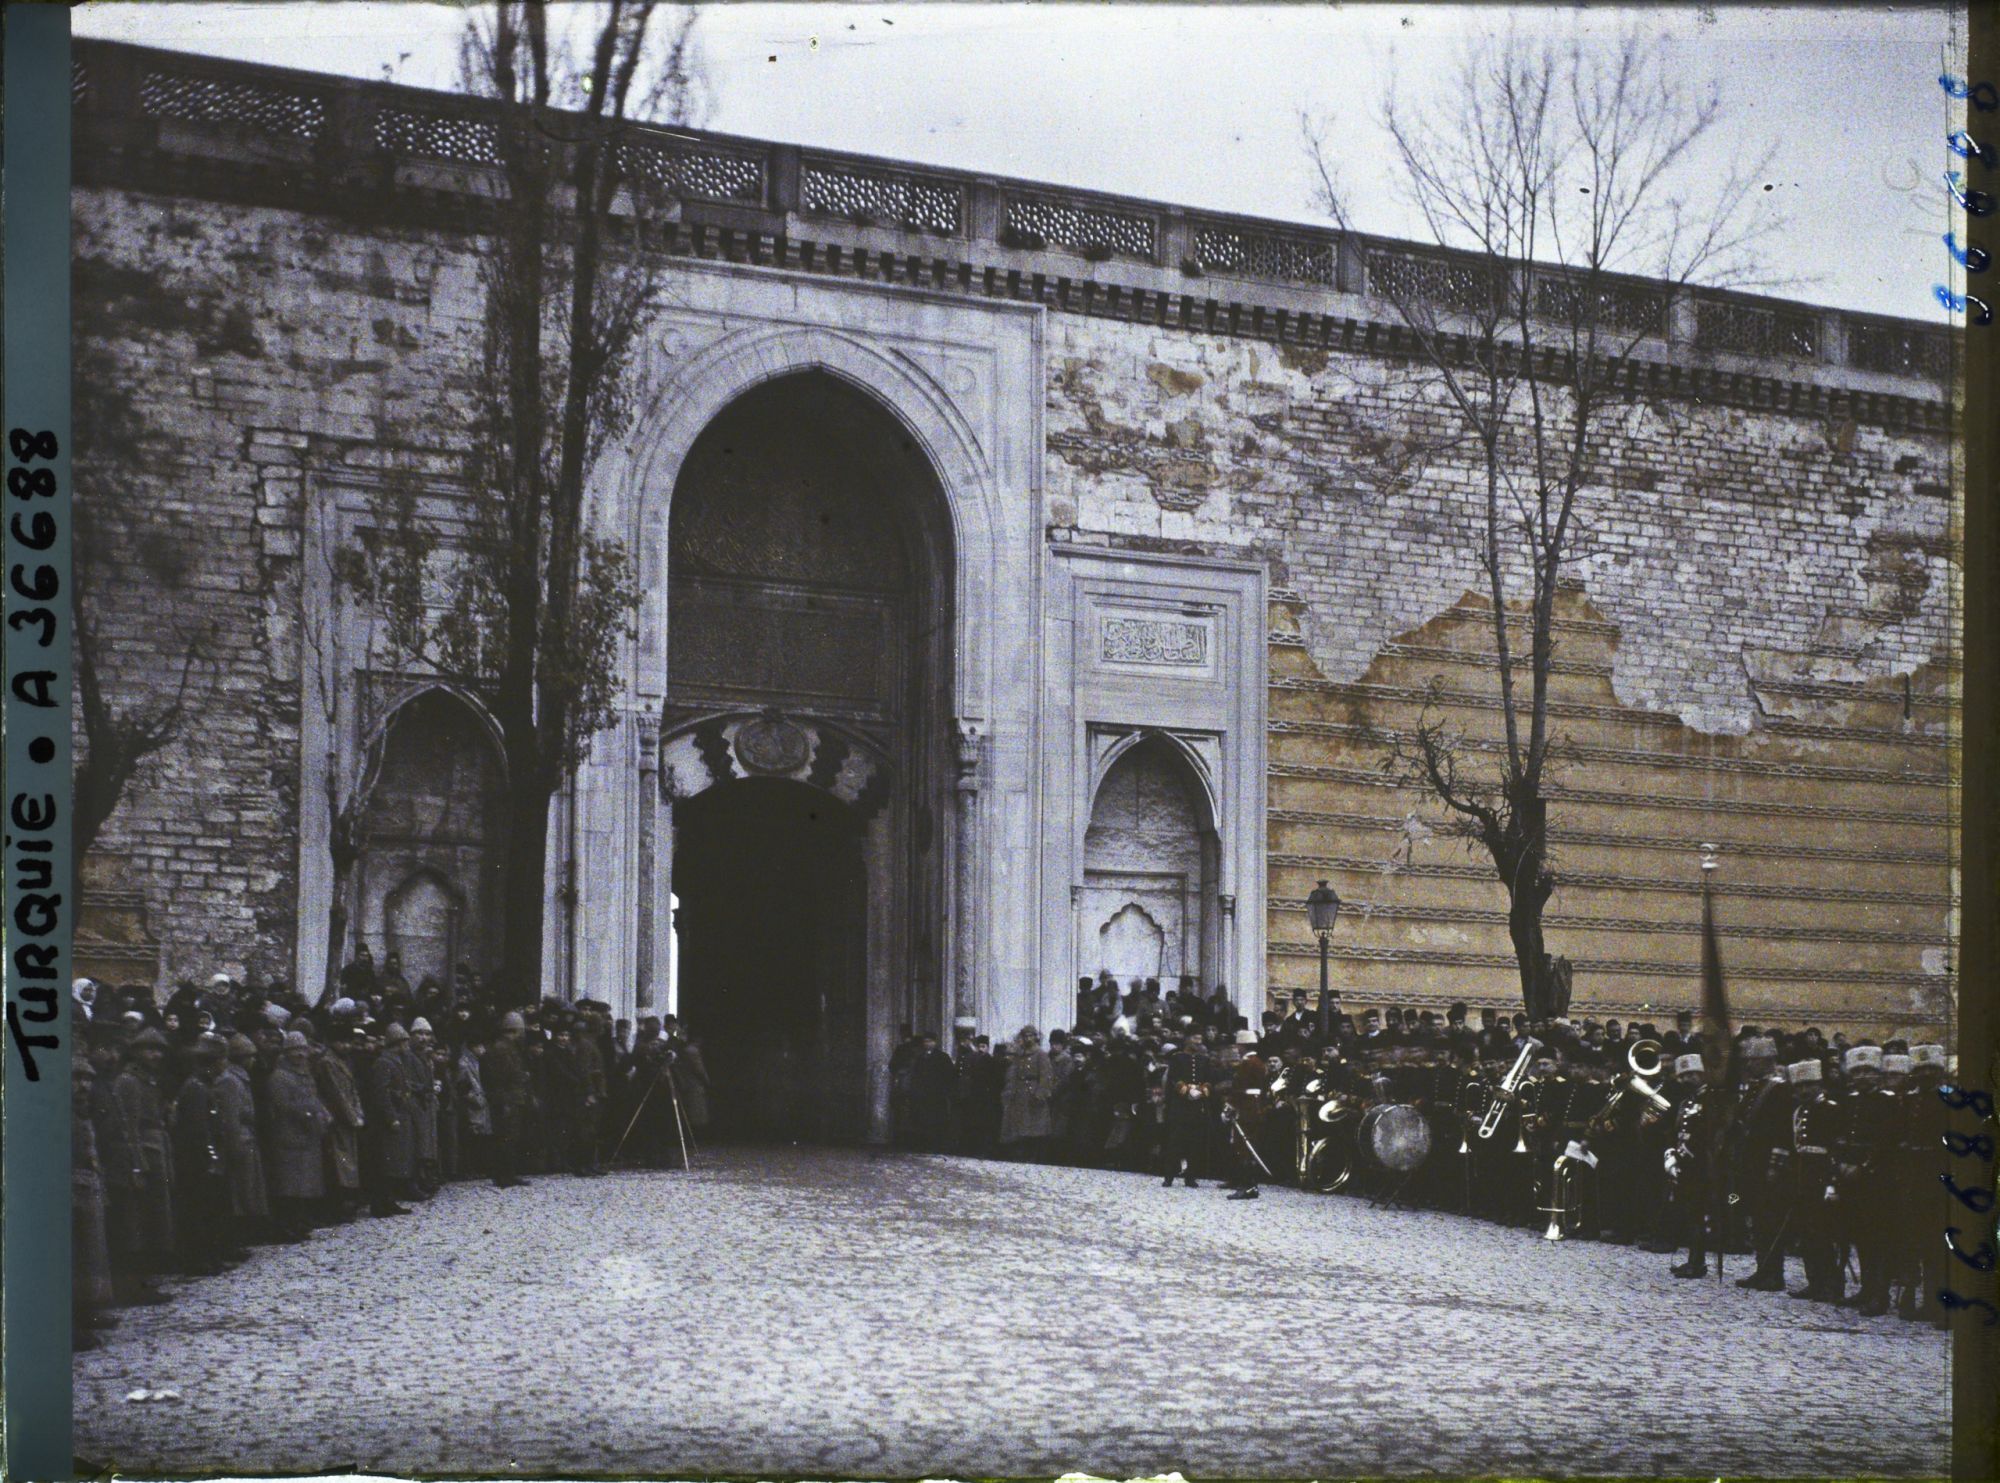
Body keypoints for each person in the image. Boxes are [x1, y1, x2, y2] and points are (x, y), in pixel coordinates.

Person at [265, 1031, 333, 1240]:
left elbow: (312, 1098)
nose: (300, 1054)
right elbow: (285, 1106)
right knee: (289, 1186)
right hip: (290, 1136)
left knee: (304, 1184)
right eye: (295, 1049)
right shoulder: (280, 1077)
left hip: (307, 1135)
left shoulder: (304, 1074)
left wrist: (321, 1113)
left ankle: (300, 1222)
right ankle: (288, 1225)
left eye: (303, 1049)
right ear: (286, 1052)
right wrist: (310, 1114)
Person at [362, 1021, 417, 1215]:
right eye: (405, 1042)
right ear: (398, 1043)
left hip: (399, 1115)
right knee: (386, 1164)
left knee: (395, 1163)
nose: (407, 1046)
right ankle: (380, 1203)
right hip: (388, 1121)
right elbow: (381, 1093)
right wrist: (391, 1117)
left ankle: (389, 1200)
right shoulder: (384, 1062)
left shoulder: (397, 1061)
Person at [1159, 1036, 1218, 1188]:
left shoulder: (1204, 1060)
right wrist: (1185, 1092)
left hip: (1198, 1105)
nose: (1198, 1042)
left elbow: (1209, 1079)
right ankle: (1169, 1176)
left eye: (1199, 1039)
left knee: (1195, 1142)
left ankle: (1191, 1177)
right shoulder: (1177, 1058)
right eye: (1195, 1039)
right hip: (1181, 1105)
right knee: (1175, 1141)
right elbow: (1173, 1078)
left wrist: (1202, 1091)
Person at [483, 1011, 532, 1188]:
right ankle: (503, 1176)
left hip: (510, 1098)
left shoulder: (505, 1047)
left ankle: (508, 1174)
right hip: (507, 1100)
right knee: (506, 1138)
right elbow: (500, 1079)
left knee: (510, 1138)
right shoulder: (502, 1049)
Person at [999, 1026, 1055, 1159]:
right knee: (1019, 1127)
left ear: (1036, 1037)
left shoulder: (1041, 1055)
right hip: (1020, 1094)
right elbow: (1013, 1073)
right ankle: (1020, 1155)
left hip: (1033, 1094)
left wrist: (1040, 1094)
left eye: (1031, 1036)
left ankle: (1033, 1156)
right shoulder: (1020, 1055)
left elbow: (1046, 1076)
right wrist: (1009, 1091)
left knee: (1034, 1128)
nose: (1028, 1039)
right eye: (1025, 1036)